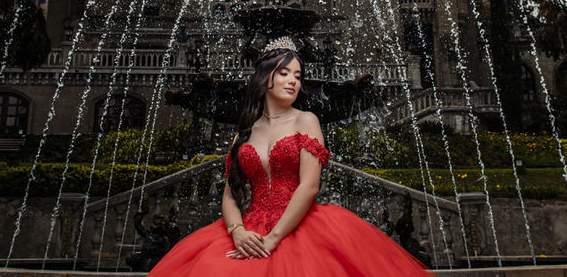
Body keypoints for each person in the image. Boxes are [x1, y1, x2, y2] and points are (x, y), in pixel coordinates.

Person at [147, 38, 433, 276]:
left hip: (300, 226)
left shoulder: (307, 121)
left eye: (298, 76)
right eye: (285, 73)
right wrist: (237, 232)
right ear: (265, 77)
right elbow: (230, 195)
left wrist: (272, 239)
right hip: (250, 229)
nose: (293, 81)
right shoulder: (244, 130)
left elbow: (310, 186)